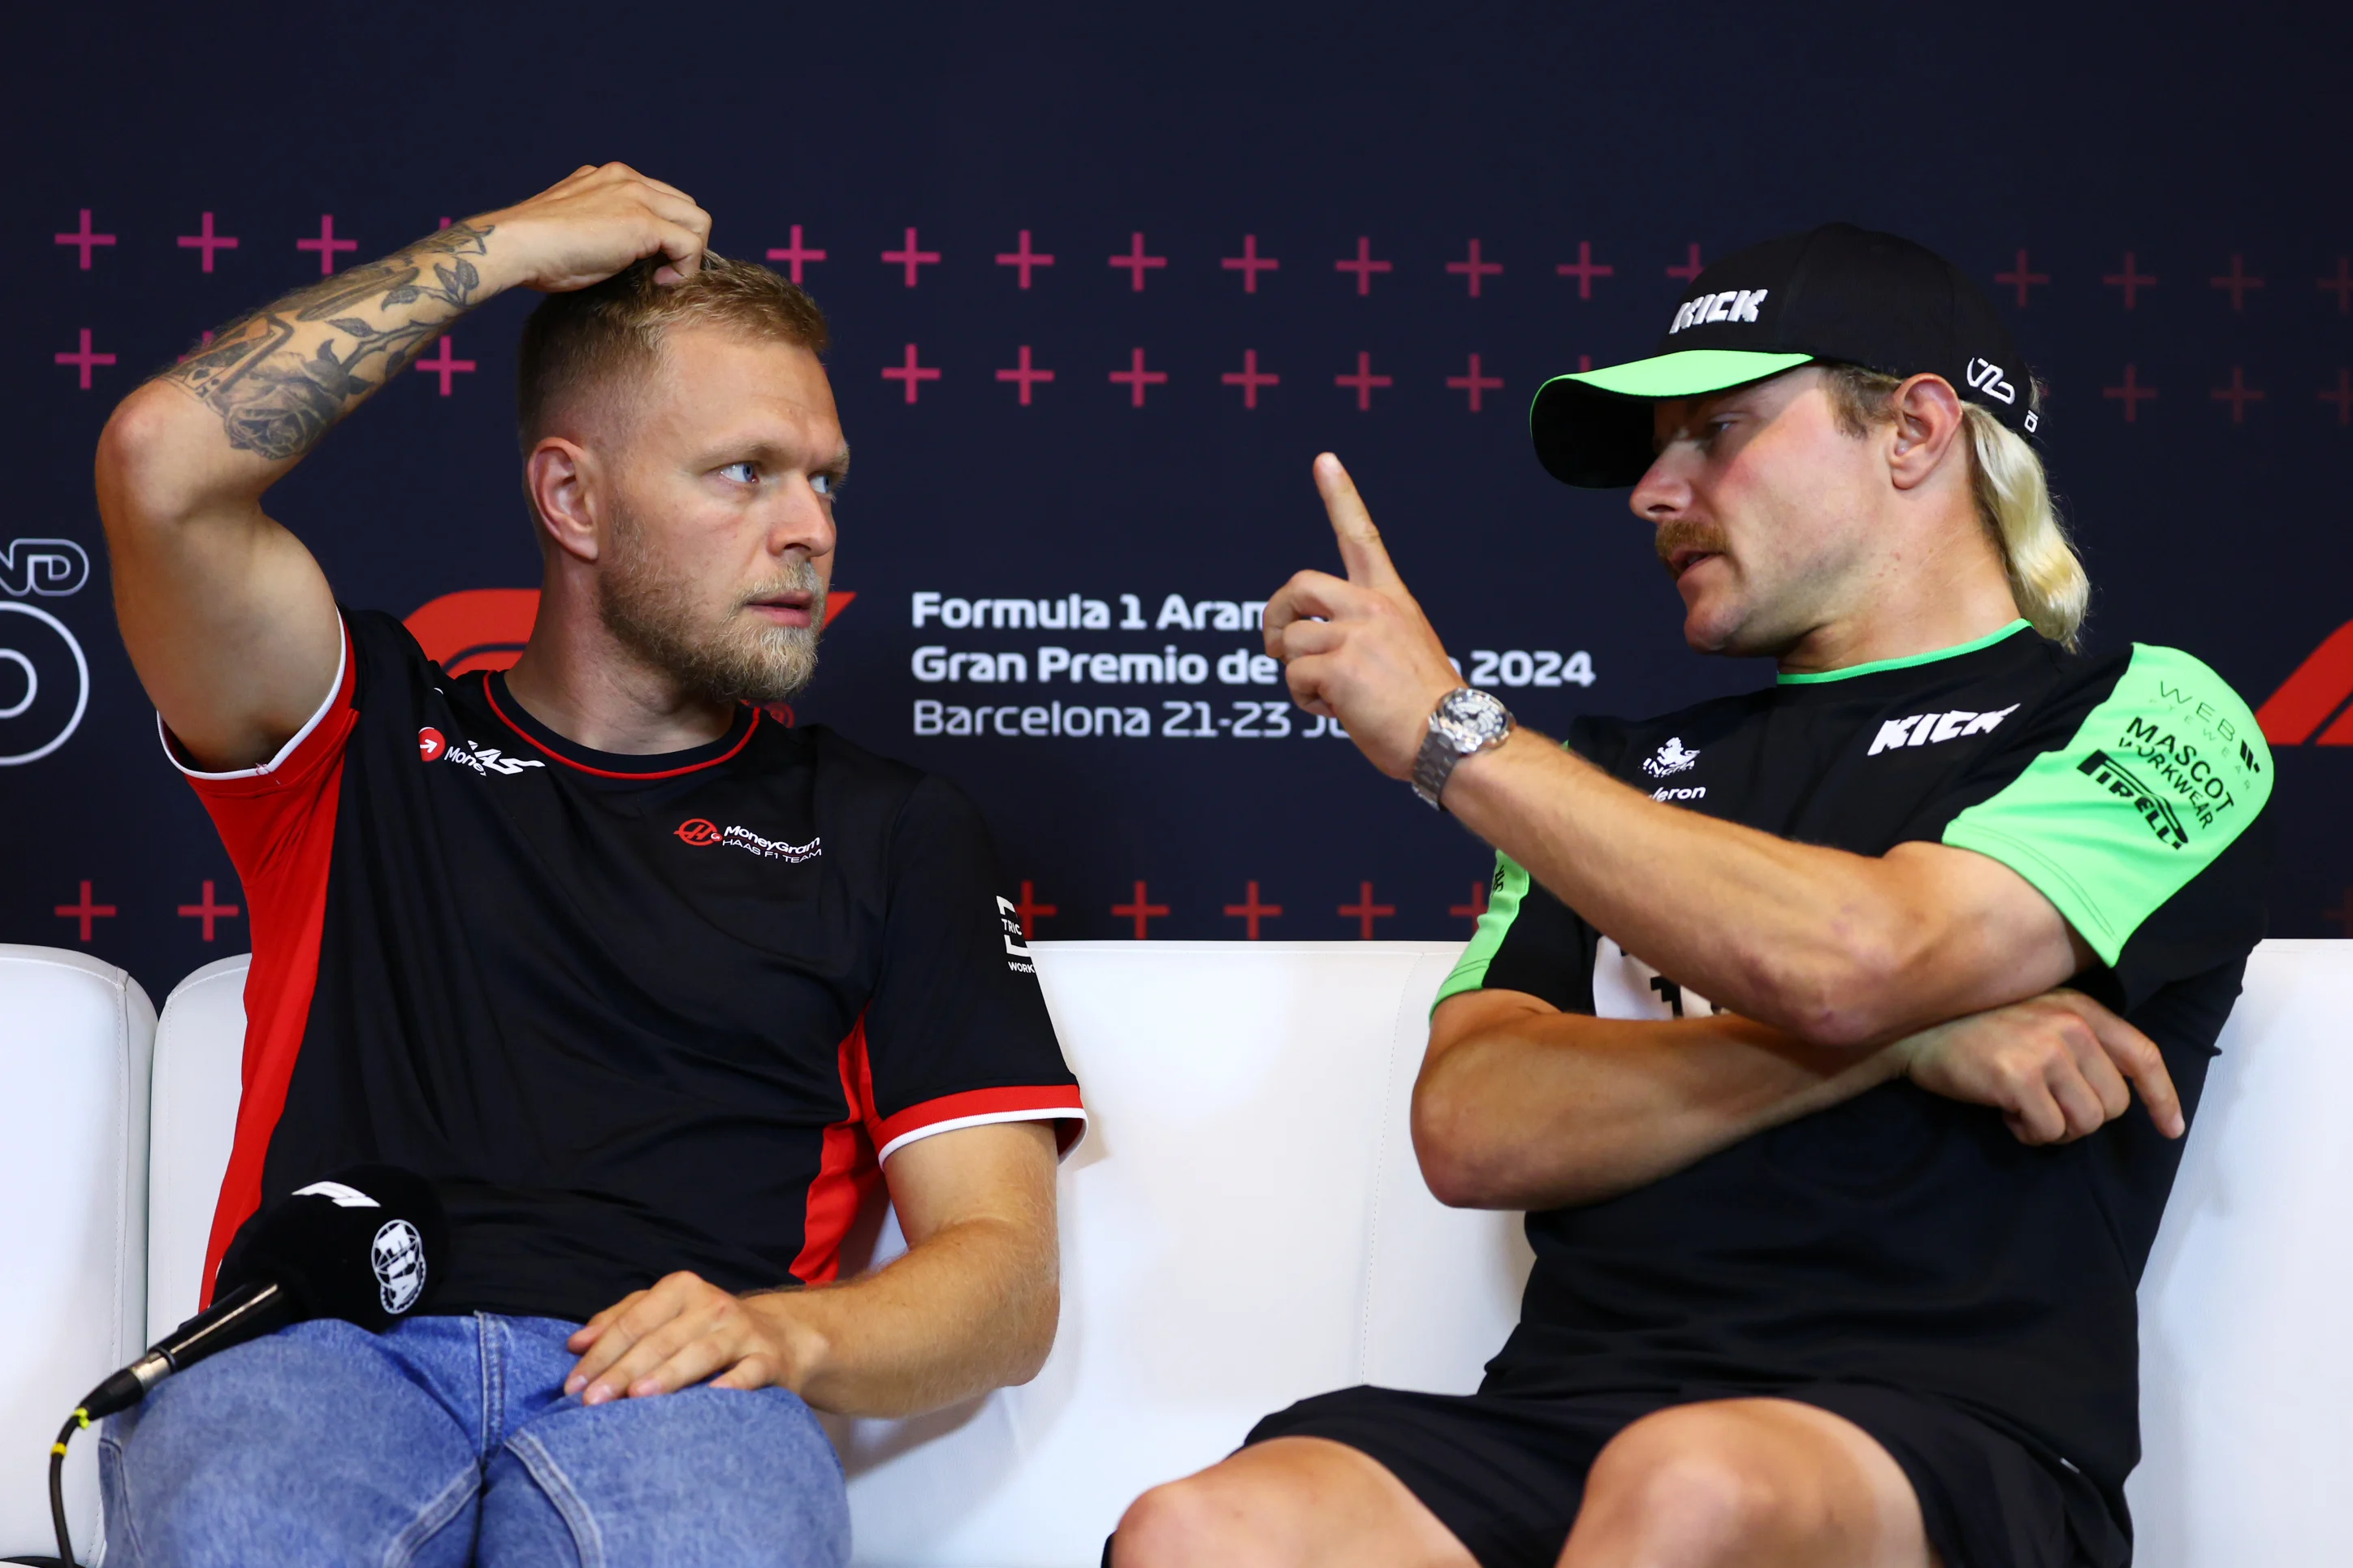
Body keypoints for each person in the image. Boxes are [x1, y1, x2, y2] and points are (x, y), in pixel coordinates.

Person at [1114, 224, 2271, 1568]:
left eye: (1717, 431)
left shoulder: (2149, 714)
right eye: (1659, 450)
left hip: (1949, 1438)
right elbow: (1474, 1125)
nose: (1655, 493)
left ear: (1913, 430)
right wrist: (1905, 1046)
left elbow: (1863, 955)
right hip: (1572, 1411)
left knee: (1686, 1484)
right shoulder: (1607, 779)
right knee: (1203, 1527)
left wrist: (1453, 735)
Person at [93, 163, 1084, 1566]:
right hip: (328, 1353)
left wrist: (782, 1330)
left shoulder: (889, 827)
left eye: (823, 479)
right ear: (572, 495)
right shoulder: (360, 731)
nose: (811, 527)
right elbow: (162, 466)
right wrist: (507, 248)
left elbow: (1005, 1281)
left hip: (677, 1387)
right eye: (745, 471)